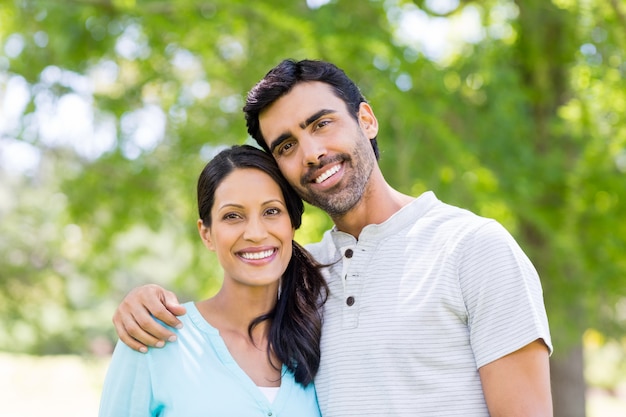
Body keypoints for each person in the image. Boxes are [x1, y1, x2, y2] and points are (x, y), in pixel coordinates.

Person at [112, 59, 553, 416]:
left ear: (366, 119)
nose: (312, 153)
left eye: (321, 124)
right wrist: (141, 302)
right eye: (285, 145)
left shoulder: (474, 247)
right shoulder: (303, 276)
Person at [99, 145, 328, 417]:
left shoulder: (320, 332)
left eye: (271, 211)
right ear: (206, 234)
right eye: (232, 216)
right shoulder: (152, 336)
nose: (255, 233)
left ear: (292, 223)